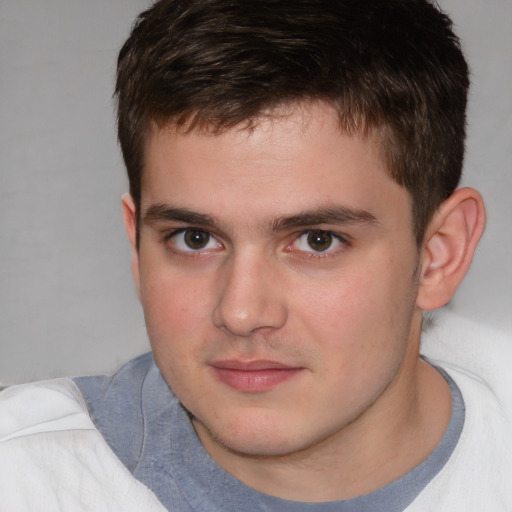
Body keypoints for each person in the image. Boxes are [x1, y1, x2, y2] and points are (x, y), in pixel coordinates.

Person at [0, 0, 510, 510]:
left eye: (317, 240)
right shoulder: (23, 481)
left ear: (440, 254)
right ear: (137, 244)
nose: (241, 313)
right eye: (193, 238)